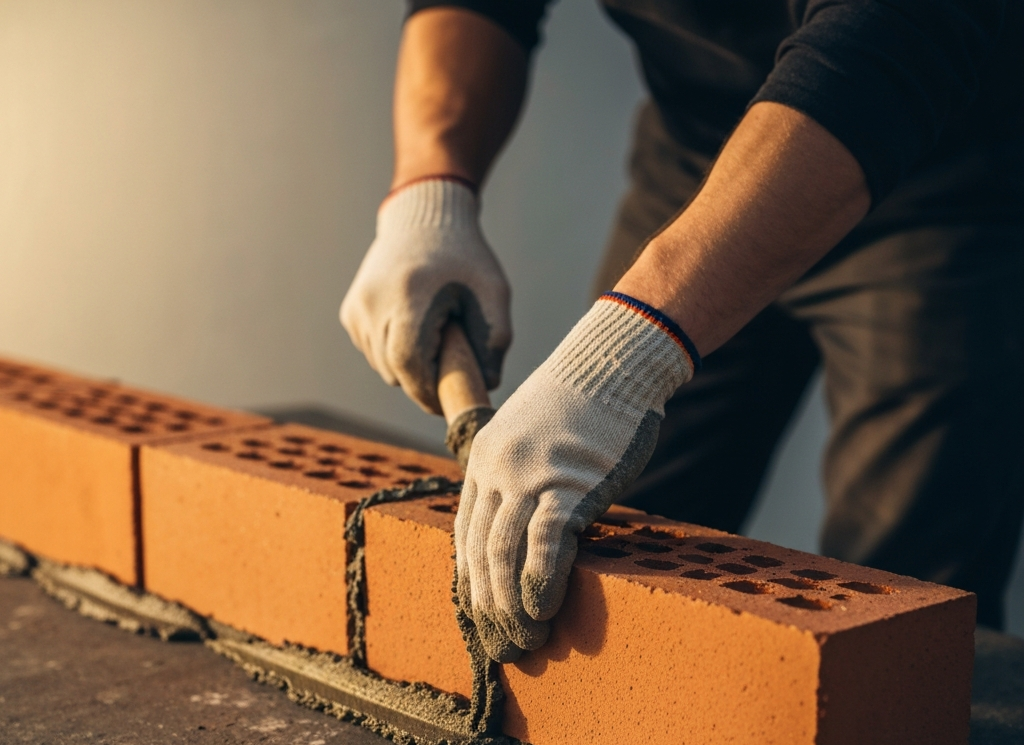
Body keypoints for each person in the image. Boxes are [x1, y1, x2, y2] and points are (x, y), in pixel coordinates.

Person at [341, 1, 1024, 662]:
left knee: (905, 607)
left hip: (947, 180)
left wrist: (625, 353)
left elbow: (898, 31)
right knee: (594, 549)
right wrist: (431, 196)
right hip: (701, 162)